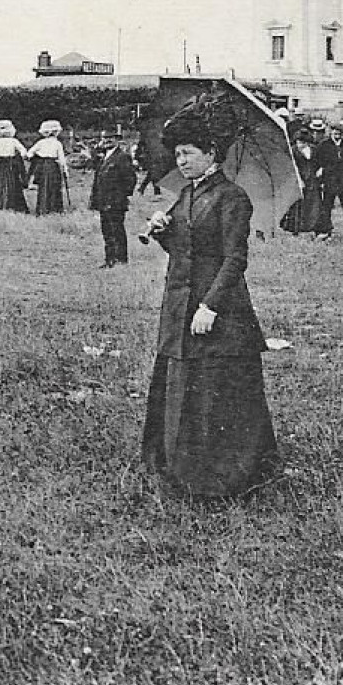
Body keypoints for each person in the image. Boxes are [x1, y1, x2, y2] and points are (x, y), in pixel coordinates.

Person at [141, 110, 278, 498]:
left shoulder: (231, 197)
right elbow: (185, 250)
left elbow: (235, 259)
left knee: (216, 386)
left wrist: (211, 306)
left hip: (218, 308)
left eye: (187, 152)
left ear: (210, 152)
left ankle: (222, 471)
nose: (180, 161)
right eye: (177, 154)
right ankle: (176, 461)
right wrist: (163, 232)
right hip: (179, 301)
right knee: (181, 380)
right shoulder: (188, 193)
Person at [89, 134, 137, 267]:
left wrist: (120, 196)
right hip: (103, 200)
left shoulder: (122, 157)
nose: (107, 140)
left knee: (117, 230)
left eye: (110, 137)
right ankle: (109, 259)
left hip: (115, 201)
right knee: (107, 230)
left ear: (117, 140)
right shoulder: (103, 157)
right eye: (104, 137)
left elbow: (130, 178)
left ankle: (120, 259)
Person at [0, 120, 30, 212]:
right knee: (14, 183)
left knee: (2, 184)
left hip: (2, 165)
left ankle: (3, 205)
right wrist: (23, 156)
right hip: (12, 164)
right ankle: (15, 206)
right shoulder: (13, 141)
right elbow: (23, 150)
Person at [28, 119, 68, 214]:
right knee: (54, 186)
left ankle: (43, 208)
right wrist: (65, 170)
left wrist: (38, 156)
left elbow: (29, 154)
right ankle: (54, 208)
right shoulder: (58, 144)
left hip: (42, 166)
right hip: (53, 166)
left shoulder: (40, 142)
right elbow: (62, 159)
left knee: (43, 187)